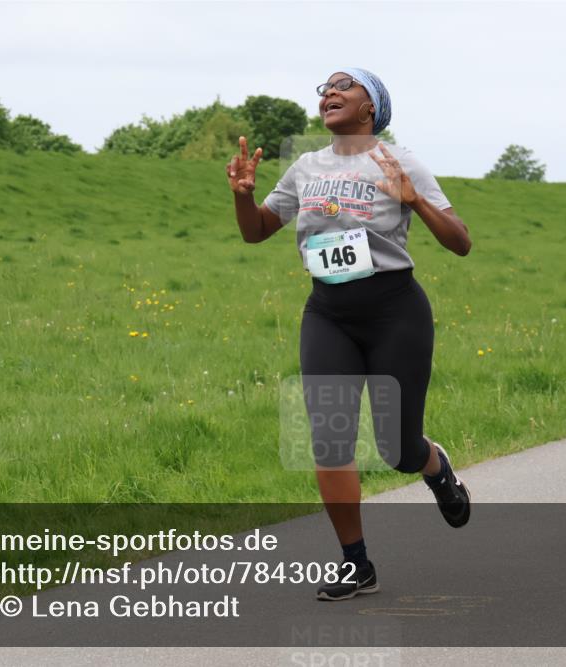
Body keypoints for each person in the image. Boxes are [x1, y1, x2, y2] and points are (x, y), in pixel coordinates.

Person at [226, 68, 472, 601]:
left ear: (371, 107)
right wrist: (244, 196)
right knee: (330, 441)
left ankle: (435, 466)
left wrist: (415, 201)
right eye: (325, 89)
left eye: (344, 85)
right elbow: (256, 231)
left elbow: (460, 241)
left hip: (394, 312)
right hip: (328, 313)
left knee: (397, 450)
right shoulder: (305, 166)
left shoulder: (399, 161)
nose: (329, 93)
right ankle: (356, 564)